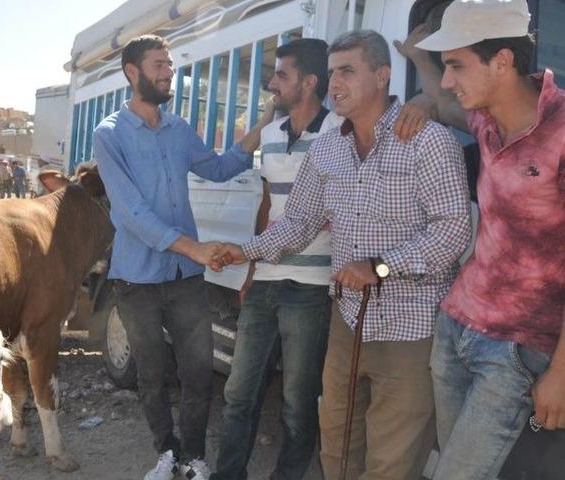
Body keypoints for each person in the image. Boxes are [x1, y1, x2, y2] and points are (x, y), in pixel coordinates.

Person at [212, 30, 472, 480]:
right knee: (336, 447)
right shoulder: (327, 149)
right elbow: (299, 222)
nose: (335, 83)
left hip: (410, 329)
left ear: (382, 76)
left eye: (348, 71)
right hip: (347, 321)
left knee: (391, 464)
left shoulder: (428, 141)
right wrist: (243, 252)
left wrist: (380, 267)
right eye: (332, 73)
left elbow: (453, 232)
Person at [392, 1, 565, 478]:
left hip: (517, 349)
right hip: (456, 327)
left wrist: (561, 372)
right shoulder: (486, 118)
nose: (449, 80)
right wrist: (420, 61)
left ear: (502, 62)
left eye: (457, 65)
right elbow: (442, 98)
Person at [93, 34, 276, 480]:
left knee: (197, 372)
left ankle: (193, 457)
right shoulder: (109, 134)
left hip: (185, 277)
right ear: (132, 72)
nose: (168, 73)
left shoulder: (178, 130)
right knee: (152, 374)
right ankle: (166, 453)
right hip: (136, 279)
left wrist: (266, 122)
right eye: (159, 65)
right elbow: (131, 212)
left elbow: (219, 168)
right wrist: (194, 247)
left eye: (170, 66)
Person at [211, 38, 342, 480]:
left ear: (309, 82)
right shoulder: (269, 136)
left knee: (297, 403)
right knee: (238, 394)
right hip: (265, 280)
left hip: (311, 286)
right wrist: (251, 269)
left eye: (282, 75)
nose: (272, 84)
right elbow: (267, 205)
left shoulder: (339, 132)